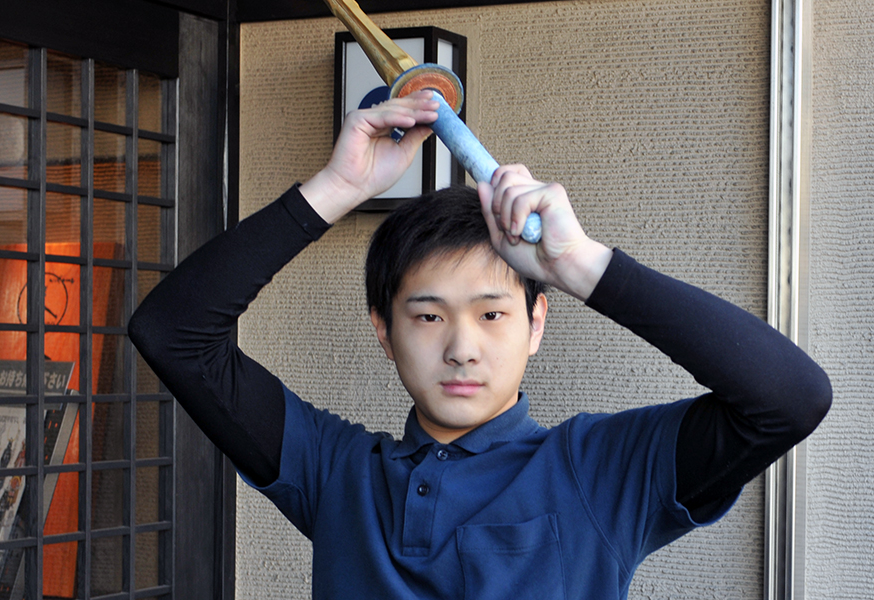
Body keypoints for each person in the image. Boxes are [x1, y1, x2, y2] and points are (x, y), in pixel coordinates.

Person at [128, 91, 832, 598]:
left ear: (537, 326)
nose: (462, 348)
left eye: (493, 315)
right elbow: (172, 333)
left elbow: (789, 398)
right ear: (384, 330)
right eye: (429, 317)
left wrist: (581, 265)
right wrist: (336, 188)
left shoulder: (603, 472)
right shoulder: (335, 472)